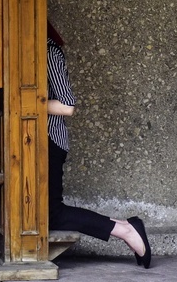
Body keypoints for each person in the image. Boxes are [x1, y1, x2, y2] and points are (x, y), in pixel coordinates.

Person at [46, 21, 152, 268]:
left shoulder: (49, 51)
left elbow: (67, 106)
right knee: (45, 215)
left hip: (49, 140)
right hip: (31, 143)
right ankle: (126, 227)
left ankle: (124, 231)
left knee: (52, 213)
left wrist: (25, 103)